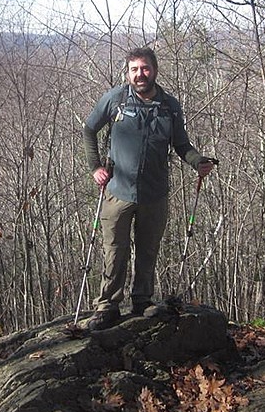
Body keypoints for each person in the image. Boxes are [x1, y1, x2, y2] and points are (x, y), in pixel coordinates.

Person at [81, 47, 216, 331]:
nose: (140, 74)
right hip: (118, 191)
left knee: (148, 251)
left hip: (155, 194)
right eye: (134, 70)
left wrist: (197, 162)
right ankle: (107, 306)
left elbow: (181, 144)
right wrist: (95, 167)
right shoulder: (115, 99)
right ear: (128, 73)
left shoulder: (169, 106)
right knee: (115, 252)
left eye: (144, 68)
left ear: (154, 70)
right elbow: (89, 129)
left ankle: (141, 300)